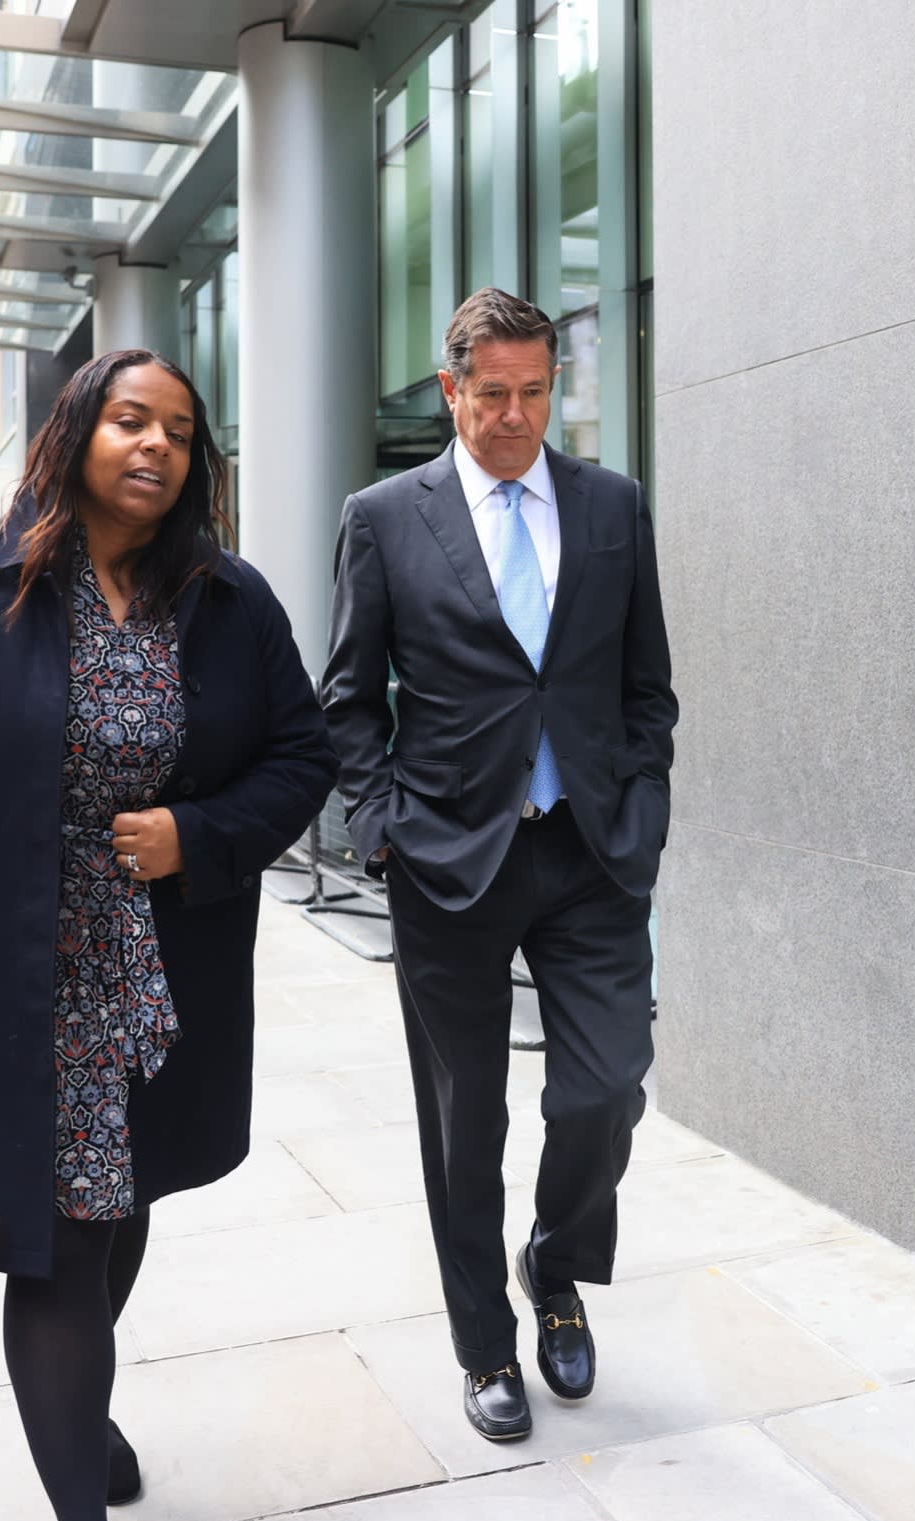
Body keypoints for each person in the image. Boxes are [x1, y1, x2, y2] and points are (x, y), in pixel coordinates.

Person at [0, 348, 336, 1521]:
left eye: (177, 430)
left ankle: (80, 1404)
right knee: (54, 1244)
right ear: (76, 432)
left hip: (160, 977)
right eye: (128, 420)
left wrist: (195, 834)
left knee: (119, 1208)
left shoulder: (225, 596)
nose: (155, 444)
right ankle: (77, 1492)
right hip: (13, 981)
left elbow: (307, 756)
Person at [320, 288, 678, 1443]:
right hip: (447, 862)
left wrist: (642, 805)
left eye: (534, 392)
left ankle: (554, 1263)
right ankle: (484, 1344)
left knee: (604, 1088)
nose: (517, 415)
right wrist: (379, 828)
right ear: (451, 391)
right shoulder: (383, 517)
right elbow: (345, 697)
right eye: (493, 395)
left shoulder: (612, 506)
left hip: (587, 851)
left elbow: (645, 687)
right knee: (462, 1120)